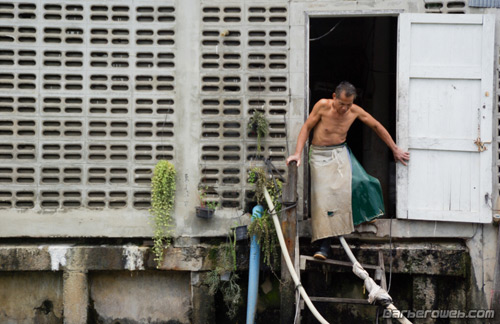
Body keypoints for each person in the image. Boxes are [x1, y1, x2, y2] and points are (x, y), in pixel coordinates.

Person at [286, 81, 409, 260]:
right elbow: (306, 127)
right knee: (325, 201)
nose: (344, 109)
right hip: (319, 155)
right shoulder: (322, 106)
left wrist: (394, 149)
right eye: (341, 104)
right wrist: (297, 154)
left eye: (348, 105)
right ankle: (324, 246)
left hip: (340, 151)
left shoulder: (354, 111)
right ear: (334, 97)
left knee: (363, 182)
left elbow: (376, 126)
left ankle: (363, 214)